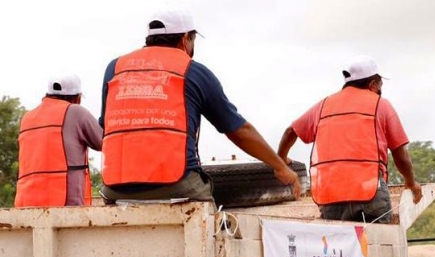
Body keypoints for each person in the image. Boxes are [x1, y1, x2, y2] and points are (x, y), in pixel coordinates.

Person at [99, 8, 299, 202]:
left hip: (114, 187)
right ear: (186, 39)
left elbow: (105, 126)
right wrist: (280, 166)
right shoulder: (193, 72)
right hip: (175, 184)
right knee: (212, 215)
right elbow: (239, 131)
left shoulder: (114, 68)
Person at [277, 55, 422, 223]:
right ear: (372, 85)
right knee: (376, 244)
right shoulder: (380, 105)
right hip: (369, 192)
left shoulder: (323, 105)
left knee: (339, 247)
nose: (381, 89)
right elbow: (400, 154)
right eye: (381, 83)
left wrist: (281, 161)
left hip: (330, 195)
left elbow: (290, 131)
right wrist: (410, 182)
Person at [15, 74, 102, 207]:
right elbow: (104, 141)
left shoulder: (27, 118)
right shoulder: (76, 112)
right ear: (77, 97)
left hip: (27, 204)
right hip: (65, 204)